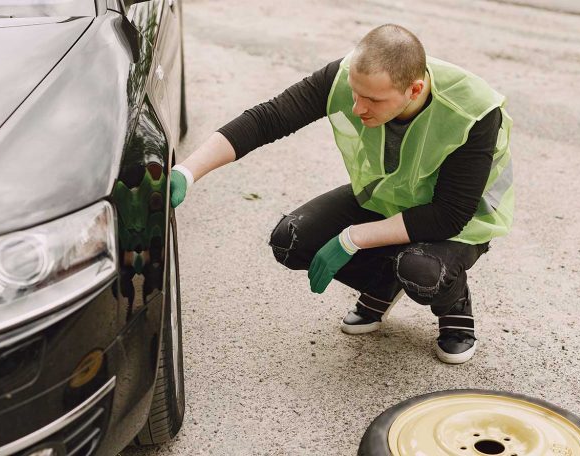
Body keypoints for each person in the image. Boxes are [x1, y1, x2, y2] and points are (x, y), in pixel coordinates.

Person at [169, 24, 513, 364]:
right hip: (387, 199)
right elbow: (266, 119)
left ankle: (453, 305)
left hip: (457, 224)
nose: (358, 108)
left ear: (414, 89)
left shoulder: (472, 110)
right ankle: (383, 286)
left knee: (422, 272)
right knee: (290, 241)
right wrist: (188, 171)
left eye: (373, 100)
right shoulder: (350, 76)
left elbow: (448, 215)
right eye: (355, 93)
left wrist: (353, 238)